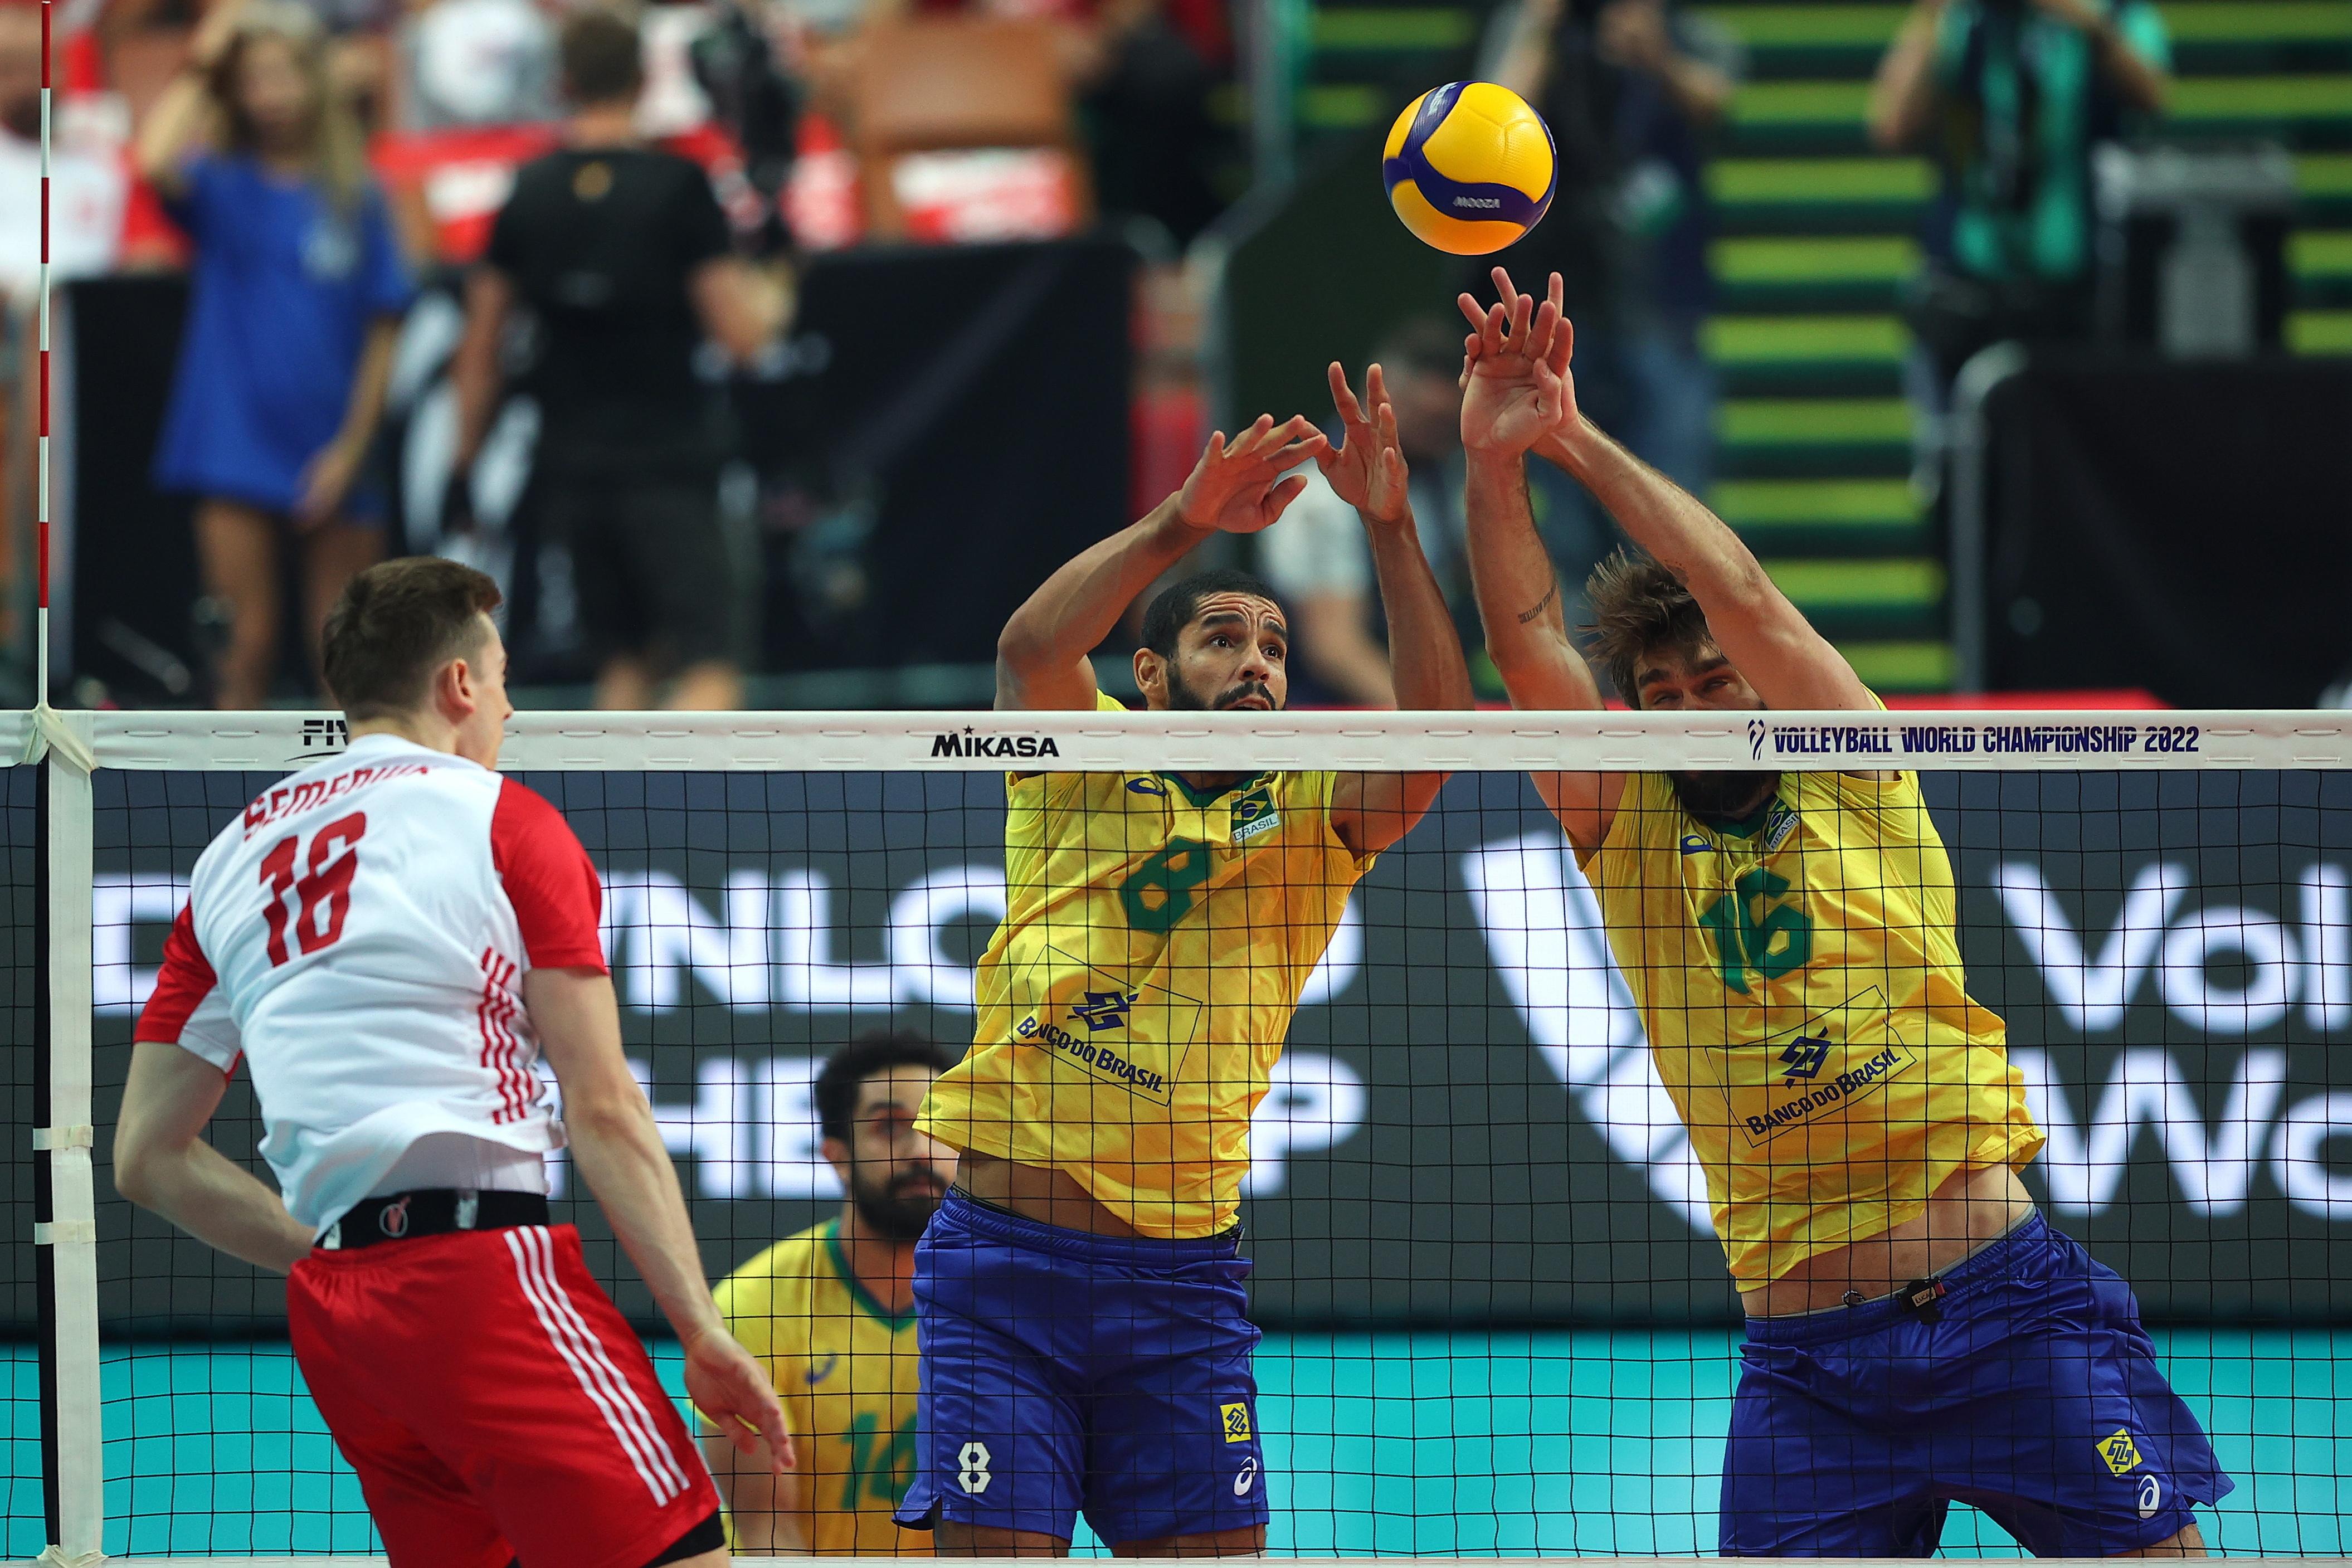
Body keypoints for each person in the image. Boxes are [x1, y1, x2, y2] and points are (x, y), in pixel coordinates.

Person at [1457, 267, 2232, 1557]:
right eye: (1665, 695)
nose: (1701, 706)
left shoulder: (1851, 766)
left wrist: (1573, 437)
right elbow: (1529, 641)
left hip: (2007, 1312)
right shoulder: (1622, 827)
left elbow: (1748, 598)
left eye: (1716, 680)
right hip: (1812, 1371)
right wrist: (1494, 466)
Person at [896, 359, 1495, 1553]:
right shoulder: (1083, 760)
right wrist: (1183, 523)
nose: (1260, 661)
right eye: (1224, 640)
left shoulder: (1317, 803)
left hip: (1181, 1288)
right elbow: (1029, 647)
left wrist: (1388, 529)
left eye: (1274, 645)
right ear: (1156, 677)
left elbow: (1435, 744)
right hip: (1002, 1271)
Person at [112, 556, 793, 1568]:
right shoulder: (503, 817)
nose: (511, 708)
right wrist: (699, 1329)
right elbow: (604, 1107)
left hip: (343, 1322)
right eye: (505, 678)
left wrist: (337, 1258)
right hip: (485, 1280)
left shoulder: (229, 857)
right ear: (460, 685)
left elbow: (145, 1158)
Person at [452, 8, 783, 711]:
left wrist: (462, 464)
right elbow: (743, 337)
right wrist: (780, 286)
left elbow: (480, 348)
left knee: (625, 663)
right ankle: (696, 823)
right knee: (709, 662)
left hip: (570, 465)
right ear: (641, 81)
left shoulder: (529, 190)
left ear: (564, 83)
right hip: (670, 462)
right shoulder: (679, 186)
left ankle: (613, 827)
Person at [137, 0, 413, 708]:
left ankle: (351, 812)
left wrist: (350, 451)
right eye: (256, 80)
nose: (274, 96)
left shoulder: (361, 197)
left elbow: (385, 335)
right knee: (243, 649)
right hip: (232, 441)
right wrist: (208, 60)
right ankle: (243, 816)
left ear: (316, 83)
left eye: (287, 76)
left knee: (345, 661)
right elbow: (154, 157)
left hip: (335, 449)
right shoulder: (223, 185)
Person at [1257, 317, 1616, 705]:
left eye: (1447, 423)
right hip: (1340, 726)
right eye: (1425, 418)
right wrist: (1440, 731)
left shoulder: (1443, 480)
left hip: (1435, 712)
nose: (1440, 434)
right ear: (1375, 400)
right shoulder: (1318, 501)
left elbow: (1512, 593)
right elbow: (1337, 650)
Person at [704, 1031, 958, 1555]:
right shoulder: (755, 1304)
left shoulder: (1008, 1305)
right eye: (890, 1128)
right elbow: (765, 1532)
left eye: (941, 1127)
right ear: (838, 1157)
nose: (921, 1152)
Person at [1483, 0, 1739, 499]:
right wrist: (1541, 27)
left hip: (1664, 293)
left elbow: (1716, 103)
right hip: (1559, 299)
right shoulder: (1540, 31)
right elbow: (1494, 130)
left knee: (1675, 483)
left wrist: (1655, 55)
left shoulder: (1690, 32)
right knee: (1570, 498)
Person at [1867, 0, 2169, 387]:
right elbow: (1893, 126)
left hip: (2075, 295)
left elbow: (2153, 96)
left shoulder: (2114, 13)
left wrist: (2086, 23)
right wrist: (1931, 16)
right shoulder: (1962, 18)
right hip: (1967, 289)